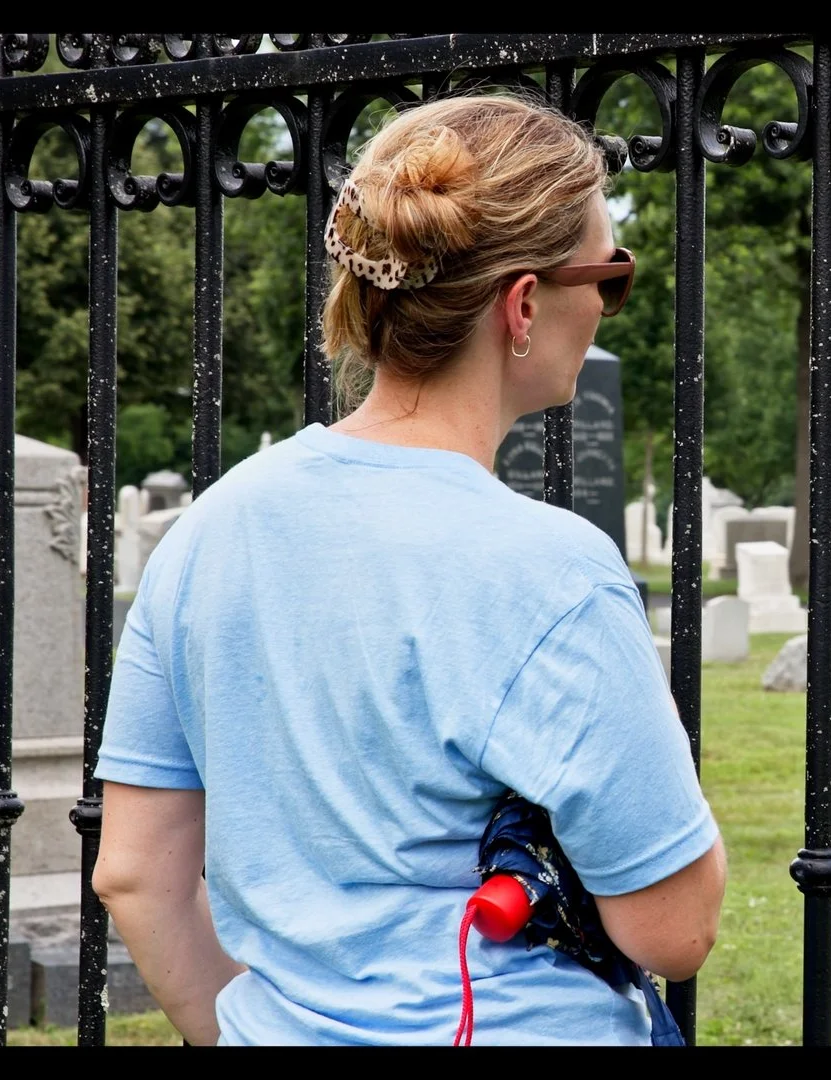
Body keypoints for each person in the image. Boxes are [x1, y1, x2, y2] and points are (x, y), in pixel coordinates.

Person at [91, 94, 725, 1046]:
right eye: (608, 275)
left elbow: (133, 873)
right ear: (522, 304)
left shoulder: (208, 528)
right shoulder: (552, 572)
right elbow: (673, 929)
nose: (603, 303)